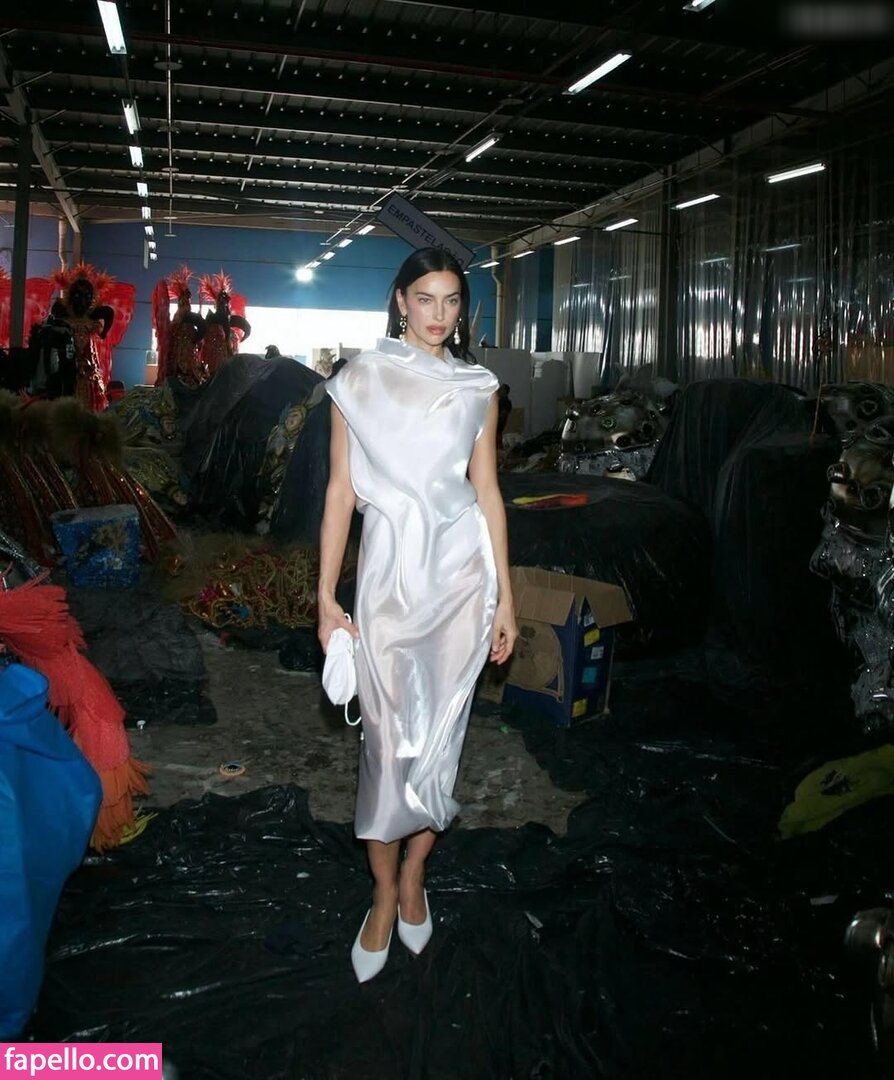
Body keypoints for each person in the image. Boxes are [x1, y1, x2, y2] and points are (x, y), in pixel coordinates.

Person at [317, 246, 518, 983]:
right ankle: (380, 891)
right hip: (387, 586)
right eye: (426, 299)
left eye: (452, 300)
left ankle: (413, 877)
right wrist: (324, 597)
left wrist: (506, 597)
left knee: (441, 742)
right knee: (385, 749)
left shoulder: (477, 387)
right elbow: (341, 492)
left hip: (461, 583)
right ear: (401, 300)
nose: (439, 314)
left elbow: (487, 491)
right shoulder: (358, 380)